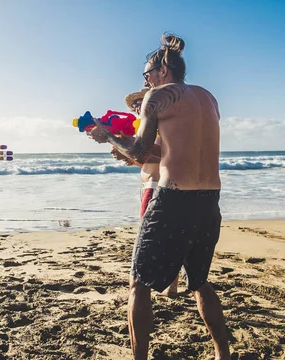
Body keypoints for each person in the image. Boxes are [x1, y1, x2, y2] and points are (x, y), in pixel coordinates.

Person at [91, 33, 231, 360]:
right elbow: (173, 151)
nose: (145, 81)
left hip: (173, 200)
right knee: (199, 281)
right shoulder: (208, 97)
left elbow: (139, 148)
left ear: (163, 72)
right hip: (209, 200)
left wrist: (109, 132)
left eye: (146, 75)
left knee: (138, 284)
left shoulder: (157, 97)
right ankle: (223, 355)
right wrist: (121, 143)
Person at [101, 88, 179, 298]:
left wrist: (129, 151)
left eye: (140, 103)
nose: (137, 108)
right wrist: (129, 157)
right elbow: (145, 161)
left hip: (155, 186)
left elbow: (164, 157)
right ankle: (169, 285)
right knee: (163, 237)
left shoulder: (159, 128)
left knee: (152, 238)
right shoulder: (146, 129)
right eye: (135, 105)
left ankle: (159, 285)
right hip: (151, 185)